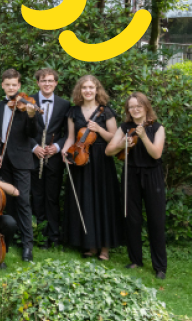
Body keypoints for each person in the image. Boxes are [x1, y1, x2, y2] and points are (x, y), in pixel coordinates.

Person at [61, 74, 123, 261]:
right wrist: (65, 151)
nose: (88, 91)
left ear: (97, 90)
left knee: (103, 201)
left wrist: (99, 130)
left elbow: (115, 138)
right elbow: (71, 138)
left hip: (102, 161)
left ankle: (105, 247)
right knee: (85, 200)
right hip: (80, 160)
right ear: (80, 90)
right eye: (84, 87)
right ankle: (90, 244)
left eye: (91, 87)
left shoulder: (106, 112)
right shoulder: (73, 112)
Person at [105, 92, 167, 279]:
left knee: (156, 220)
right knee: (132, 218)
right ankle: (135, 260)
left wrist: (144, 137)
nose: (135, 109)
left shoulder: (157, 128)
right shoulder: (124, 127)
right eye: (131, 107)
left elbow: (156, 154)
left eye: (138, 106)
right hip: (130, 174)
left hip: (152, 175)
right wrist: (122, 143)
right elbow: (109, 151)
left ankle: (160, 266)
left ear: (146, 107)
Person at [0, 68, 40, 262]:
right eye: (8, 84)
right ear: (3, 85)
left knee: (23, 201)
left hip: (22, 160)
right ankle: (6, 239)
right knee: (5, 201)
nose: (11, 88)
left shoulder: (26, 105)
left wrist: (32, 116)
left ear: (19, 85)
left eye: (14, 85)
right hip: (3, 160)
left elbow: (32, 133)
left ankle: (27, 245)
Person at [29, 68, 71, 249]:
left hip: (53, 158)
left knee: (52, 198)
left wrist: (57, 147)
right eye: (43, 80)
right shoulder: (29, 101)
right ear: (38, 83)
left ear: (56, 83)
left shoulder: (64, 104)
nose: (47, 84)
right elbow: (22, 129)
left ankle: (54, 235)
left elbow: (67, 133)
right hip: (34, 156)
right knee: (37, 196)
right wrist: (34, 147)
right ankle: (40, 235)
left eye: (50, 81)